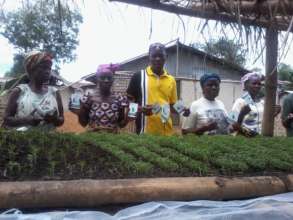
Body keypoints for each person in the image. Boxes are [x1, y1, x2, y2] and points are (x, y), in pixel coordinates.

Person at [127, 43, 188, 135]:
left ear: (166, 57)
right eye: (154, 56)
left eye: (161, 56)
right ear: (149, 57)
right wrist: (139, 109)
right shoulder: (138, 76)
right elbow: (129, 101)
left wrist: (183, 110)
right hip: (145, 133)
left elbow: (172, 104)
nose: (157, 59)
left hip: (167, 132)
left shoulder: (171, 80)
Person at [3, 51, 64, 131]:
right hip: (24, 142)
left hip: (49, 142)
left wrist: (54, 119)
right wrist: (26, 120)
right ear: (31, 69)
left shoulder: (54, 93)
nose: (47, 71)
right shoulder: (19, 91)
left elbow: (61, 120)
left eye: (49, 68)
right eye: (43, 67)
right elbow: (7, 119)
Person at [77, 64, 129, 133]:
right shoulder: (88, 97)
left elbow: (121, 124)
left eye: (109, 78)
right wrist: (79, 112)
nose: (106, 80)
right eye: (102, 77)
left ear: (113, 79)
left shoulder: (119, 99)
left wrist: (127, 118)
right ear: (97, 79)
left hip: (113, 140)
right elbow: (83, 123)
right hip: (93, 140)